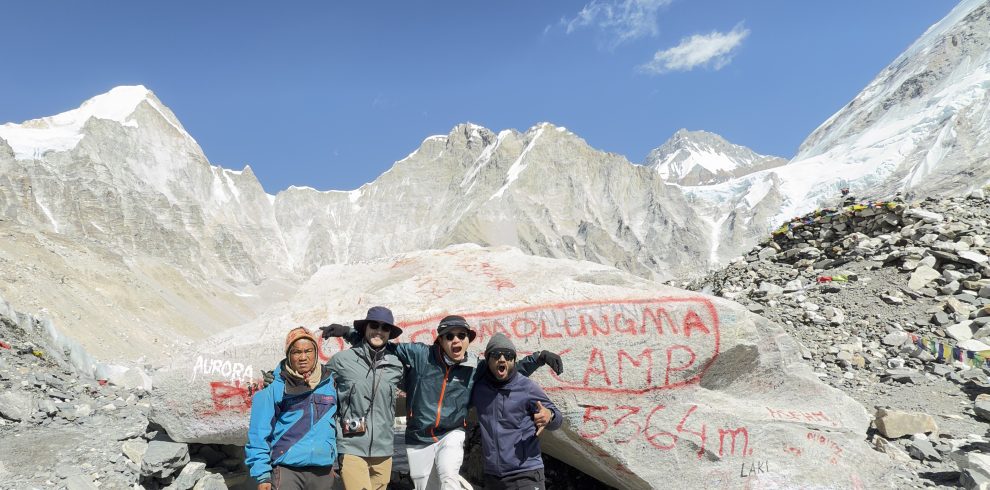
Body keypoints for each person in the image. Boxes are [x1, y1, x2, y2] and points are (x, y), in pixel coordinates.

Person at [323, 315, 562, 490]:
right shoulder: (419, 354)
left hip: (452, 431)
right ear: (440, 340)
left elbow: (506, 369)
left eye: (462, 336)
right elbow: (380, 345)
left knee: (449, 475)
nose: (456, 340)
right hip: (419, 436)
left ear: (468, 340)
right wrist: (346, 332)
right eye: (450, 336)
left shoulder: (474, 368)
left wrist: (539, 358)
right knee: (424, 486)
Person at [245, 327, 338, 490]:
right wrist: (262, 476)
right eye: (296, 352)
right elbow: (258, 434)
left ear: (316, 352)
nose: (303, 357)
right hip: (287, 471)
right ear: (288, 354)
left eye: (308, 351)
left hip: (323, 471)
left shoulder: (330, 383)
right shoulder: (273, 387)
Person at [327, 306, 405, 490]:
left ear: (390, 333)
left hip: (384, 451)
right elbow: (314, 381)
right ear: (365, 328)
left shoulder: (396, 364)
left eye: (385, 328)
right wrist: (279, 379)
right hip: (351, 446)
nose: (379, 331)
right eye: (374, 325)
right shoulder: (341, 360)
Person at [472, 333, 563, 490]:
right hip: (493, 477)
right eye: (496, 354)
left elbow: (557, 419)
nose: (502, 359)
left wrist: (550, 415)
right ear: (487, 360)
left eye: (508, 355)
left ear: (513, 360)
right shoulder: (479, 389)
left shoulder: (526, 387)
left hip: (525, 474)